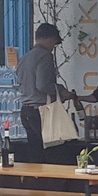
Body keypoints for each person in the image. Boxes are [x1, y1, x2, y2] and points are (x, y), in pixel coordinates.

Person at [16, 23, 78, 157]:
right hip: (42, 110)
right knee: (53, 152)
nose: (52, 48)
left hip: (26, 109)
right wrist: (62, 91)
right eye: (54, 44)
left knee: (35, 153)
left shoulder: (24, 58)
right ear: (51, 39)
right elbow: (43, 85)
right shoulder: (44, 56)